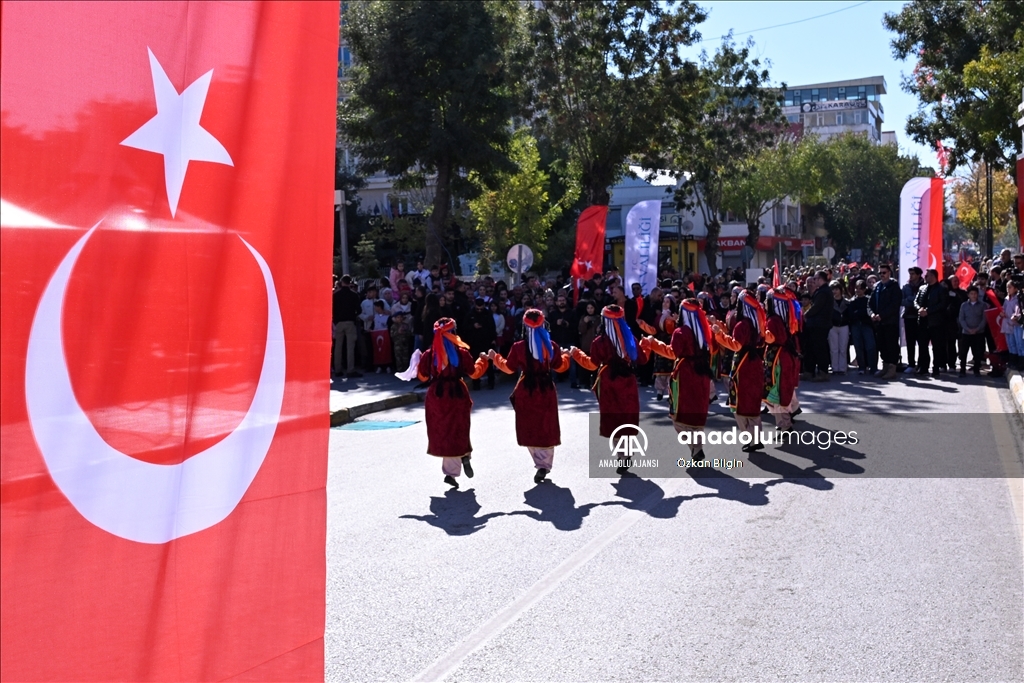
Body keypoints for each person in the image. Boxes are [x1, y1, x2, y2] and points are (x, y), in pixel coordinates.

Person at [490, 309, 571, 483]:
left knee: (529, 427)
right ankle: (545, 464)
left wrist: (495, 358)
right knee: (546, 426)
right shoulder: (551, 345)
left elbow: (508, 368)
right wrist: (566, 356)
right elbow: (561, 367)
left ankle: (539, 462)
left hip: (526, 390)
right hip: (546, 389)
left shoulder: (519, 347)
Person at [570, 304, 651, 474]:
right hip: (627, 380)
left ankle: (621, 456)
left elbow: (592, 365)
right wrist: (647, 345)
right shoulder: (631, 339)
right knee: (627, 417)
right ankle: (626, 452)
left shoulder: (599, 342)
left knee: (613, 418)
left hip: (608, 381)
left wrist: (576, 353)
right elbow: (642, 359)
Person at [415, 318, 490, 488]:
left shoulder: (430, 354)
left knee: (443, 431)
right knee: (460, 428)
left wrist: (417, 362)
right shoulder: (461, 353)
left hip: (437, 395)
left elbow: (423, 377)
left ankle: (451, 471)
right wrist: (483, 360)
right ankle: (464, 455)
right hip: (457, 393)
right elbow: (475, 374)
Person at [639, 299, 714, 460]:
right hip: (702, 372)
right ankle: (697, 448)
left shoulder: (681, 332)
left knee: (679, 415)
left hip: (686, 374)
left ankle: (694, 447)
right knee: (696, 412)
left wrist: (654, 343)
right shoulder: (703, 330)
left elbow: (672, 352)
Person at [712, 291, 766, 452]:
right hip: (754, 362)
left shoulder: (742, 325)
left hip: (743, 365)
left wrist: (719, 334)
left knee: (739, 403)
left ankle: (750, 437)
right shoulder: (756, 323)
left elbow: (736, 346)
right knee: (752, 401)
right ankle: (755, 438)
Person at [869, 264, 901, 379]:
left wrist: (882, 315)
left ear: (889, 273)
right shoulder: (877, 286)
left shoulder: (894, 286)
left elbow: (894, 305)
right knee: (882, 345)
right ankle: (885, 367)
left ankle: (892, 368)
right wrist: (872, 314)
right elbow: (870, 303)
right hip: (879, 323)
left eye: (884, 272)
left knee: (891, 345)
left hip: (890, 322)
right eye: (880, 273)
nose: (882, 275)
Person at [914, 268, 948, 377]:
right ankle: (923, 367)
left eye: (927, 275)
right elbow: (916, 301)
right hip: (922, 322)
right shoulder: (922, 288)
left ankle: (936, 367)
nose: (925, 277)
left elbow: (942, 304)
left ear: (933, 276)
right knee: (922, 346)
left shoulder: (941, 289)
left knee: (937, 347)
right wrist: (919, 309)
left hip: (936, 323)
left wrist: (928, 311)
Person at [803, 271, 833, 381]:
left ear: (820, 279)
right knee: (810, 348)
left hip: (820, 325)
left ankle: (823, 372)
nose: (814, 281)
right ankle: (809, 371)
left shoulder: (824, 292)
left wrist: (806, 314)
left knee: (820, 349)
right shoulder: (821, 291)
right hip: (815, 324)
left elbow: (816, 307)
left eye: (815, 279)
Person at [332, 275, 363, 378]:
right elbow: (359, 310)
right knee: (350, 347)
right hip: (350, 322)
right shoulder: (354, 295)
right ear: (350, 283)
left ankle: (338, 369)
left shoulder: (335, 295)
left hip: (338, 323)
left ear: (341, 282)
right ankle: (350, 370)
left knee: (338, 347)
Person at [464, 298, 497, 390]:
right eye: (477, 308)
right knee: (476, 363)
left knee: (489, 363)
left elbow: (492, 327)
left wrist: (493, 339)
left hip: (486, 342)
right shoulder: (470, 314)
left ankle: (491, 382)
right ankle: (476, 383)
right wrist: (473, 326)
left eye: (481, 308)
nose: (479, 310)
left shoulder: (487, 314)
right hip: (474, 343)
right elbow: (465, 328)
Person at [847, 280, 877, 375]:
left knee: (870, 346)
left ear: (864, 289)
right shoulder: (852, 301)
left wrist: (860, 313)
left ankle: (873, 367)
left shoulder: (869, 299)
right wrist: (860, 313)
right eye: (856, 288)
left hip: (867, 325)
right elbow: (851, 314)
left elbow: (869, 312)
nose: (858, 290)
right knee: (858, 347)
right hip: (855, 325)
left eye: (860, 289)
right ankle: (861, 367)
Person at [957, 286, 988, 376]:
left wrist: (977, 329)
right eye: (971, 294)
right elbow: (961, 319)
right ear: (968, 295)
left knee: (977, 352)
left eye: (975, 294)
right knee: (963, 352)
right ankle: (962, 370)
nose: (973, 295)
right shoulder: (964, 305)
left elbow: (984, 319)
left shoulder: (983, 305)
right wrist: (967, 329)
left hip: (979, 332)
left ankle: (976, 369)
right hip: (966, 332)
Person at [902, 267, 924, 372]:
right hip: (908, 316)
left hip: (920, 317)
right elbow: (902, 301)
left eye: (913, 274)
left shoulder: (924, 286)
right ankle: (911, 364)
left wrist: (910, 300)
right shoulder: (906, 286)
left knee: (921, 342)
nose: (911, 276)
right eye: (910, 274)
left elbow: (922, 302)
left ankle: (921, 364)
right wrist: (913, 300)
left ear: (919, 275)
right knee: (910, 342)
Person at [828, 281, 850, 374]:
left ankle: (842, 368)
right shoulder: (829, 303)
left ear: (841, 290)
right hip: (832, 327)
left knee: (843, 348)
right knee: (833, 348)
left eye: (836, 289)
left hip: (844, 326)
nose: (834, 291)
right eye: (833, 290)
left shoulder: (847, 302)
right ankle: (835, 368)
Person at [1000, 278, 1023, 370]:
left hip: (1014, 324)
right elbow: (1004, 308)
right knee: (1010, 344)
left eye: (1010, 287)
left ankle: (1020, 362)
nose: (1008, 289)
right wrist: (1002, 313)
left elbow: (1018, 310)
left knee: (1018, 344)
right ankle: (1012, 361)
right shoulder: (1006, 299)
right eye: (1007, 287)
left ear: (1015, 289)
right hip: (1006, 324)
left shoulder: (1017, 299)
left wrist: (1015, 315)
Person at [370, 300, 393, 373]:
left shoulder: (387, 317)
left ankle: (387, 366)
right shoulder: (375, 317)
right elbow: (372, 326)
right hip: (377, 337)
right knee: (378, 351)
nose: (375, 308)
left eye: (376, 307)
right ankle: (379, 366)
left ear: (379, 307)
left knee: (386, 351)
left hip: (385, 337)